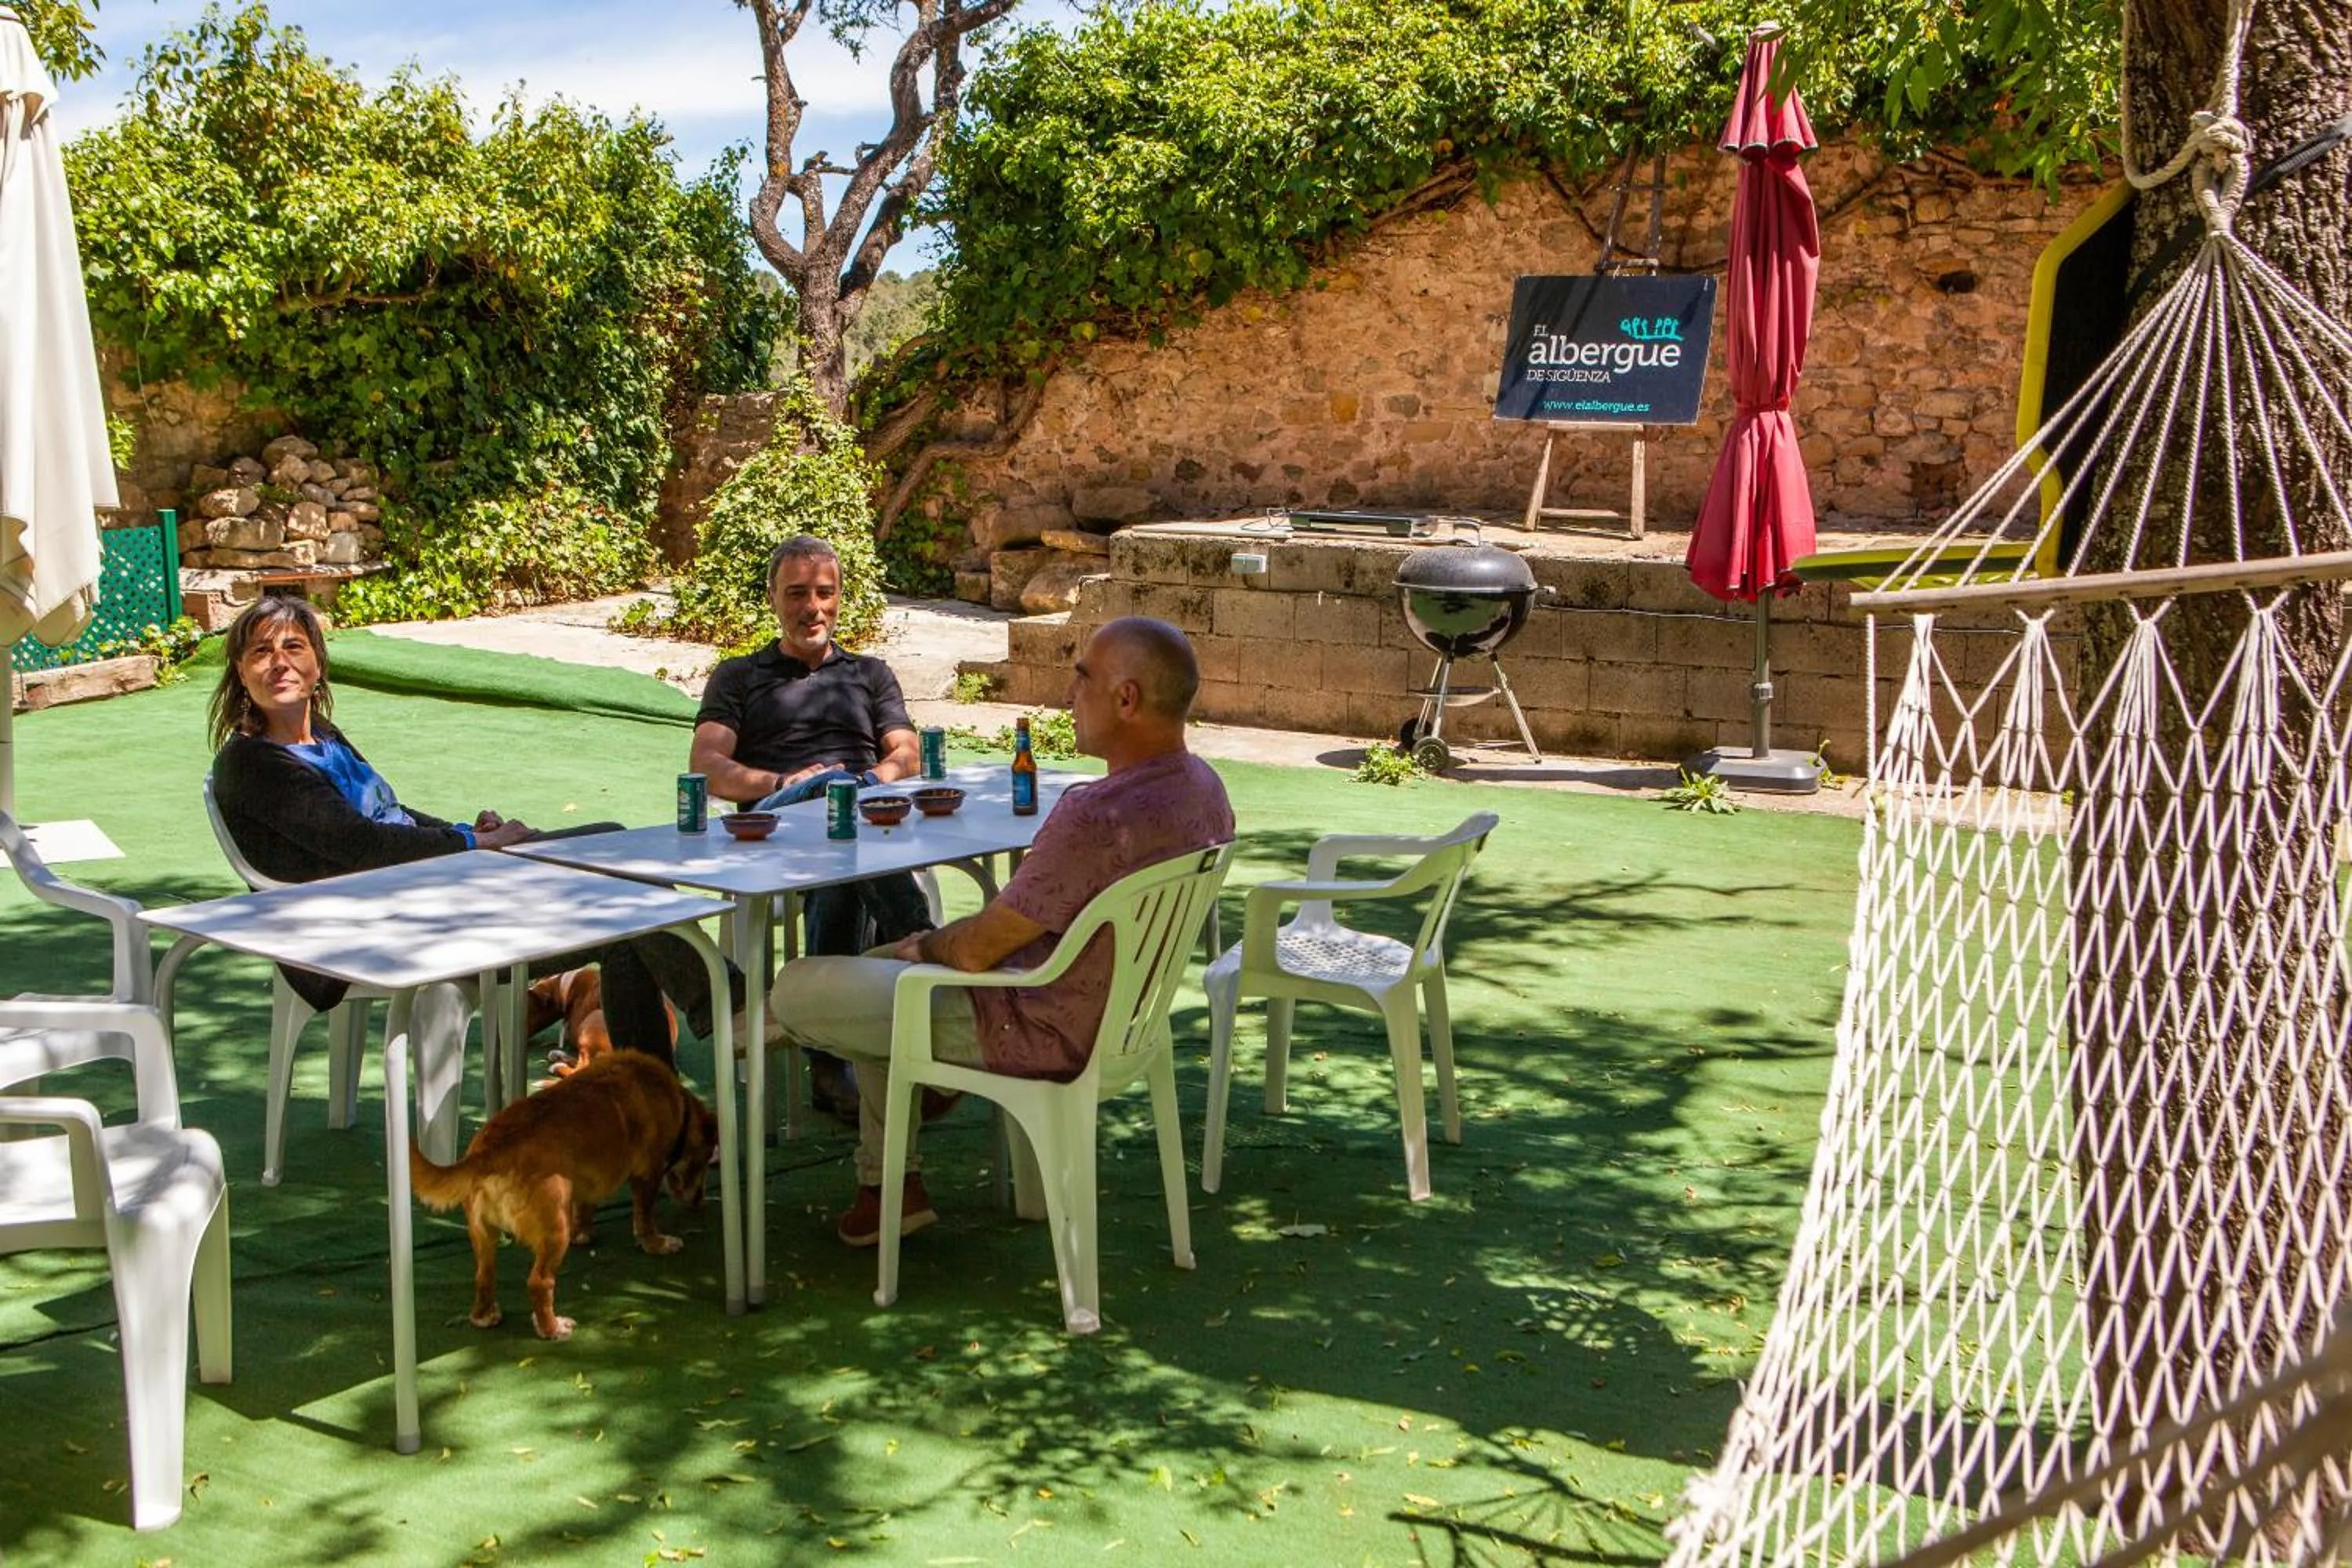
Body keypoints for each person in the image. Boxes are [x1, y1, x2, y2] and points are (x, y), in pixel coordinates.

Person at [770, 616, 1235, 1247]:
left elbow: (976, 948)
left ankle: (885, 1142)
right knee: (877, 972)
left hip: (1031, 1022)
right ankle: (888, 1186)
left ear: (1126, 698)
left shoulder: (1094, 813)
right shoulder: (1206, 791)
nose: (1069, 693)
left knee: (799, 987)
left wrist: (922, 946)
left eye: (1082, 677)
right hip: (1121, 1023)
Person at [207, 594, 733, 1061]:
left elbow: (391, 814)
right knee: (629, 900)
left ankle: (653, 1096)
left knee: (616, 855)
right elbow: (362, 846)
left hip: (426, 884)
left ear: (317, 663)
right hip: (382, 920)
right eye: (261, 652)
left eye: (294, 647)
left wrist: (470, 833)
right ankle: (731, 1008)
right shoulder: (254, 763)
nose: (279, 663)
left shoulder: (319, 736)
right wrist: (473, 844)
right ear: (240, 669)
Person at [689, 535, 934, 1112]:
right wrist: (787, 784)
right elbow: (707, 767)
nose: (812, 608)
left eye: (825, 594)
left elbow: (907, 755)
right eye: (797, 593)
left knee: (843, 845)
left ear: (841, 599)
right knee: (836, 799)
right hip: (775, 828)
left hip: (855, 821)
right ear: (773, 597)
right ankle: (929, 952)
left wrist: (867, 782)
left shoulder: (871, 675)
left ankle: (831, 1059)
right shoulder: (740, 676)